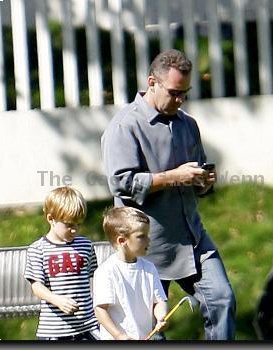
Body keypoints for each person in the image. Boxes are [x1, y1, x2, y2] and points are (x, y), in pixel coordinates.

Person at [101, 49, 236, 340]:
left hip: (192, 238)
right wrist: (174, 176)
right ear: (152, 82)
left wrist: (203, 182)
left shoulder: (188, 124)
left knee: (222, 299)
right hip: (146, 245)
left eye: (185, 93)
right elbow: (121, 183)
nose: (180, 100)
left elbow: (196, 175)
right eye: (174, 93)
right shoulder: (125, 126)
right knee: (150, 330)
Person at [24, 186, 99, 340]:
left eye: (79, 224)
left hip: (88, 326)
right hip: (55, 330)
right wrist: (57, 300)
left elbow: (93, 278)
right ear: (51, 219)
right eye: (69, 225)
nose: (75, 230)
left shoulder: (85, 245)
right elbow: (37, 287)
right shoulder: (38, 249)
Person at [93, 206, 168, 340]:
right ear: (122, 241)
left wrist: (161, 316)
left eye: (148, 235)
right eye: (141, 236)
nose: (148, 240)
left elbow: (159, 301)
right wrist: (119, 335)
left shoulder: (149, 268)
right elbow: (100, 310)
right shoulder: (106, 271)